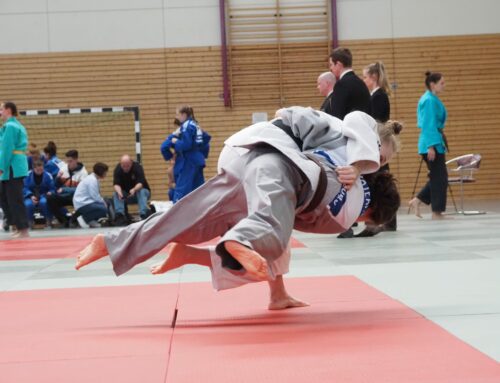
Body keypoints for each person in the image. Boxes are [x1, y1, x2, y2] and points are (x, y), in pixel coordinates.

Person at [75, 107, 401, 307]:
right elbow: (360, 129)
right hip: (272, 155)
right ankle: (242, 245)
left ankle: (114, 243)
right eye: (380, 156)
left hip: (243, 158)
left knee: (183, 218)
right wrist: (360, 167)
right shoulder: (352, 134)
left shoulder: (344, 157)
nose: (377, 165)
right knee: (272, 231)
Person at [356, 61, 398, 236]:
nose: (363, 80)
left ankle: (382, 221)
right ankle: (386, 221)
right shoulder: (375, 95)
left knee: (380, 179)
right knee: (381, 178)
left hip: (378, 142)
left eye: (365, 77)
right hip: (376, 142)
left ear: (373, 77)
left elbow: (377, 122)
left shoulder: (379, 96)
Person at [409, 72, 449, 220]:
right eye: (442, 83)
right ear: (433, 84)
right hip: (430, 143)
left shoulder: (431, 99)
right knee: (439, 177)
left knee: (438, 177)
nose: (444, 86)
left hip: (434, 141)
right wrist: (431, 146)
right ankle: (436, 212)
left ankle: (418, 200)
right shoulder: (429, 100)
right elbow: (428, 124)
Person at [0, 101, 30, 238]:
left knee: (14, 198)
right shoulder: (13, 125)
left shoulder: (11, 126)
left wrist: (1, 167)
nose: (0, 112)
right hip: (12, 165)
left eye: (1, 109)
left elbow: (7, 149)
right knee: (5, 197)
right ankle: (16, 225)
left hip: (12, 166)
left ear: (8, 110)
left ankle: (23, 228)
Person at [166, 106, 207, 203]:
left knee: (181, 189)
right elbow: (206, 140)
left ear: (184, 115)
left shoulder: (186, 126)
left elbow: (186, 145)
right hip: (198, 160)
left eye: (177, 114)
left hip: (189, 161)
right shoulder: (195, 124)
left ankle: (175, 214)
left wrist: (176, 141)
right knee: (199, 190)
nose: (176, 117)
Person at [47, 149, 88, 227]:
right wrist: (57, 178)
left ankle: (74, 220)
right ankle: (64, 220)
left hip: (76, 197)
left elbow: (81, 190)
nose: (69, 164)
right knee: (50, 198)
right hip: (64, 196)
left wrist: (65, 189)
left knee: (85, 201)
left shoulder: (83, 173)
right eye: (67, 161)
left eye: (71, 161)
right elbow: (56, 186)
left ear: (76, 160)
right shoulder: (63, 168)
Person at [328, 47, 371, 120]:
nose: (330, 68)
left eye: (331, 64)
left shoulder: (341, 85)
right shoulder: (361, 83)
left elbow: (337, 116)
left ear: (338, 64)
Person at [112, 154, 151, 225]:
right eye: (123, 166)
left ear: (131, 163)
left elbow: (141, 183)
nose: (126, 168)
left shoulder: (137, 167)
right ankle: (120, 215)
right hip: (127, 195)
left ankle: (144, 214)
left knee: (141, 191)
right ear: (121, 164)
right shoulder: (118, 169)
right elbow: (116, 184)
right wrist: (119, 192)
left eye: (128, 166)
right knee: (116, 193)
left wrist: (134, 189)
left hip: (141, 194)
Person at [73, 162, 109, 228]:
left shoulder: (93, 179)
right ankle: (84, 218)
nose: (106, 174)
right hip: (82, 203)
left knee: (104, 203)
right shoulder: (92, 180)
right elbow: (95, 196)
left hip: (84, 202)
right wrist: (103, 202)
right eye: (105, 172)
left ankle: (91, 221)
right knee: (103, 208)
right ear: (101, 172)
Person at [23, 158, 55, 228]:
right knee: (28, 204)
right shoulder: (27, 175)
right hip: (30, 196)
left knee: (44, 202)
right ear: (33, 168)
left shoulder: (48, 175)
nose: (40, 171)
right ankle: (29, 222)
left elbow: (52, 188)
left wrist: (50, 192)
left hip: (43, 196)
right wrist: (31, 196)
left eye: (41, 169)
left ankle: (48, 220)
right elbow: (24, 188)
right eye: (37, 170)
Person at [160, 118, 181, 201]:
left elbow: (164, 147)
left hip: (184, 162)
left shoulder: (176, 136)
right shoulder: (171, 169)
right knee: (171, 192)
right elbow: (170, 184)